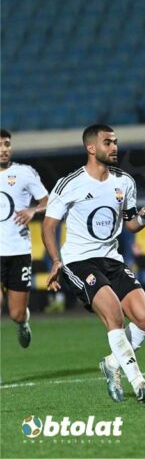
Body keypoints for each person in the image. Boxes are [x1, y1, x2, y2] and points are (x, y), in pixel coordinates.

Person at [43, 124, 145, 403]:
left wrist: (143, 219)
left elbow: (130, 223)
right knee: (115, 317)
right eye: (108, 142)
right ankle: (139, 383)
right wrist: (56, 261)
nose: (114, 147)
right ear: (91, 148)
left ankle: (111, 364)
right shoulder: (70, 183)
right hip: (79, 262)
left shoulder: (125, 182)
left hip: (112, 259)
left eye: (115, 142)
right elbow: (49, 226)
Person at [0, 129, 49, 348]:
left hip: (18, 251)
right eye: (0, 145)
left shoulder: (25, 173)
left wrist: (32, 211)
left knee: (16, 314)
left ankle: (23, 323)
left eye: (7, 144)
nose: (4, 150)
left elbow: (49, 201)